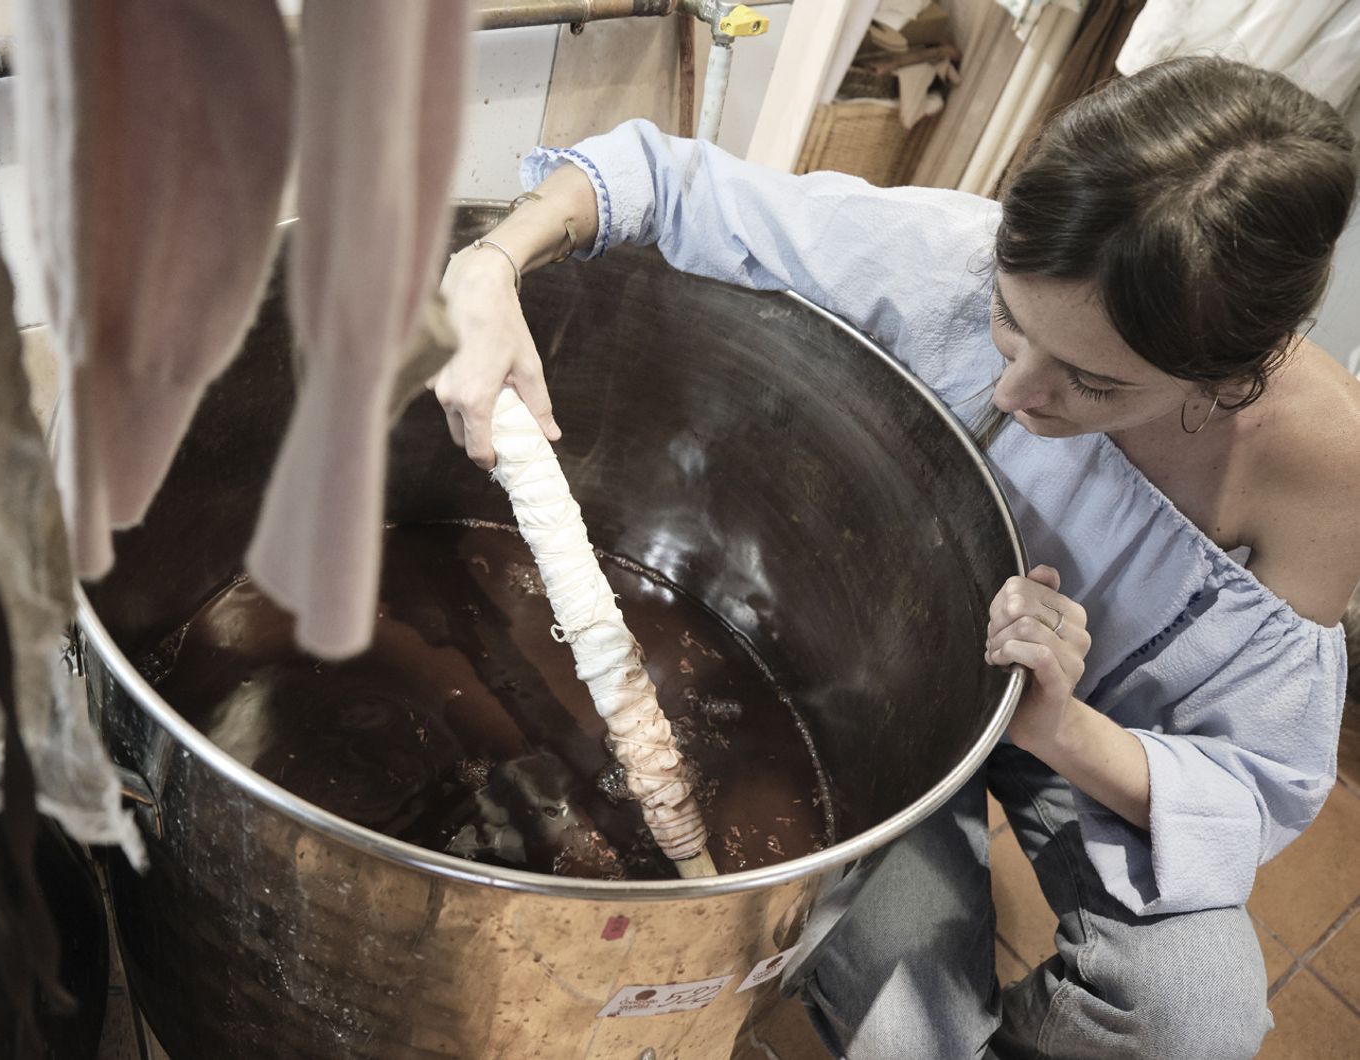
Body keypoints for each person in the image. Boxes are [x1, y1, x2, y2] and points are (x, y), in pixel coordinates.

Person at [431, 56, 1360, 1058]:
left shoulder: (1324, 476)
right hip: (877, 697)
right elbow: (664, 179)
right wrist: (492, 261)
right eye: (1008, 324)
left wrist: (1058, 722)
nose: (1015, 394)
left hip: (1087, 748)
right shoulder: (949, 260)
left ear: (1230, 378)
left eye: (1090, 383)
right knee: (913, 1041)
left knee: (1195, 1019)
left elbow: (1252, 780)